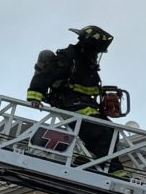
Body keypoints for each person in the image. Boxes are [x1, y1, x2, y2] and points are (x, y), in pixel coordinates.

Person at [27, 24, 119, 163]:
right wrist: (36, 96)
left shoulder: (87, 65)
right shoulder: (68, 58)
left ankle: (94, 162)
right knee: (99, 134)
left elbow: (87, 86)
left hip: (87, 105)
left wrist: (105, 94)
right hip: (70, 103)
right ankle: (107, 166)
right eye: (96, 51)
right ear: (88, 47)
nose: (97, 55)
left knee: (112, 133)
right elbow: (46, 75)